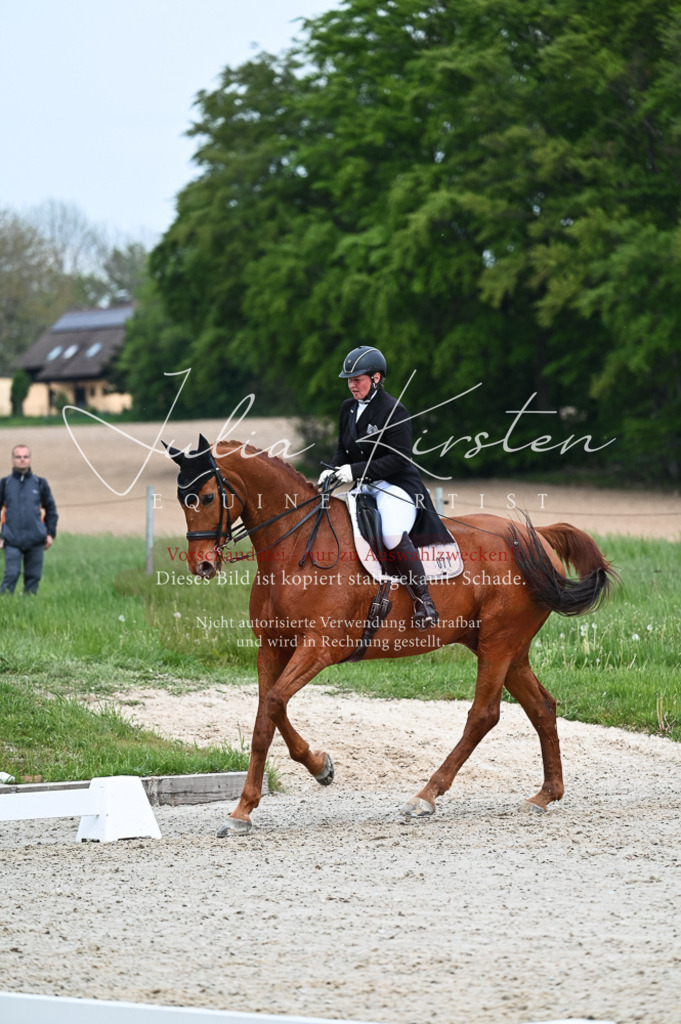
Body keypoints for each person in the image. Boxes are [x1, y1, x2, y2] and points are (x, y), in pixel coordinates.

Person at [318, 346, 452, 629]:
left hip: (397, 486)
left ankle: (424, 601)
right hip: (364, 488)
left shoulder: (394, 409)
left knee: (391, 535)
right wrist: (331, 471)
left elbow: (399, 458)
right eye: (349, 380)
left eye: (358, 379)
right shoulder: (348, 408)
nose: (352, 385)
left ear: (376, 378)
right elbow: (343, 449)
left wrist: (353, 471)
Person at [0, 444, 58, 595]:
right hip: (12, 540)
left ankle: (29, 608)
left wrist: (50, 533)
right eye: (18, 457)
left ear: (30, 459)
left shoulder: (40, 483)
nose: (22, 460)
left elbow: (51, 510)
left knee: (33, 578)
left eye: (25, 457)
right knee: (11, 575)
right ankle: (4, 607)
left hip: (36, 539)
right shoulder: (4, 484)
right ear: (12, 460)